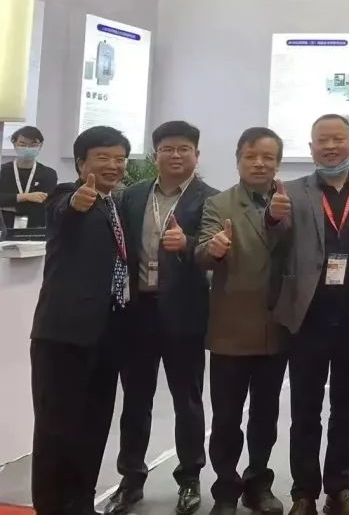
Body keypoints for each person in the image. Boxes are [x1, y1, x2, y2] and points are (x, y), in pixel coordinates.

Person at [104, 121, 218, 515]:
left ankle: (189, 479)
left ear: (196, 155)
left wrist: (188, 244)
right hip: (138, 312)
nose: (175, 155)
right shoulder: (132, 196)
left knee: (188, 401)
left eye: (184, 148)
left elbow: (215, 251)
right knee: (136, 400)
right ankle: (130, 480)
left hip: (185, 313)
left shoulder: (211, 199)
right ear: (156, 155)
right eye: (167, 148)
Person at [269, 114, 349, 515]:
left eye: (338, 139)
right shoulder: (290, 192)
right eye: (322, 140)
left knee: (347, 410)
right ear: (311, 147)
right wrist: (272, 217)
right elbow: (273, 242)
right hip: (307, 319)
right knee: (305, 410)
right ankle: (304, 493)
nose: (331, 146)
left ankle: (339, 489)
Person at [30, 125, 132, 515]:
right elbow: (63, 211)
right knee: (57, 431)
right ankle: (52, 507)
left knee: (94, 426)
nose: (113, 165)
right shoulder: (65, 195)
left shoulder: (115, 204)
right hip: (63, 336)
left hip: (108, 334)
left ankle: (82, 504)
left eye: (120, 159)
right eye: (103, 157)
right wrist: (76, 201)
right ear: (80, 163)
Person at [197, 128, 290, 515]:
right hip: (231, 329)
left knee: (266, 416)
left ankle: (258, 483)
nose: (259, 163)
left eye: (268, 157)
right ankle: (225, 489)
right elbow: (201, 252)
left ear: (278, 163)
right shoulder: (219, 203)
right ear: (238, 160)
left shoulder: (291, 201)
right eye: (251, 156)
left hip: (277, 328)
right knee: (226, 418)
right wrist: (214, 248)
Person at [0, 125, 58, 230]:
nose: (27, 148)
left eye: (33, 145)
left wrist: (10, 203)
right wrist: (25, 197)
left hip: (36, 228)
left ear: (40, 145)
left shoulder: (49, 174)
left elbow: (46, 203)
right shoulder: (2, 171)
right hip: (4, 227)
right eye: (22, 144)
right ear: (14, 144)